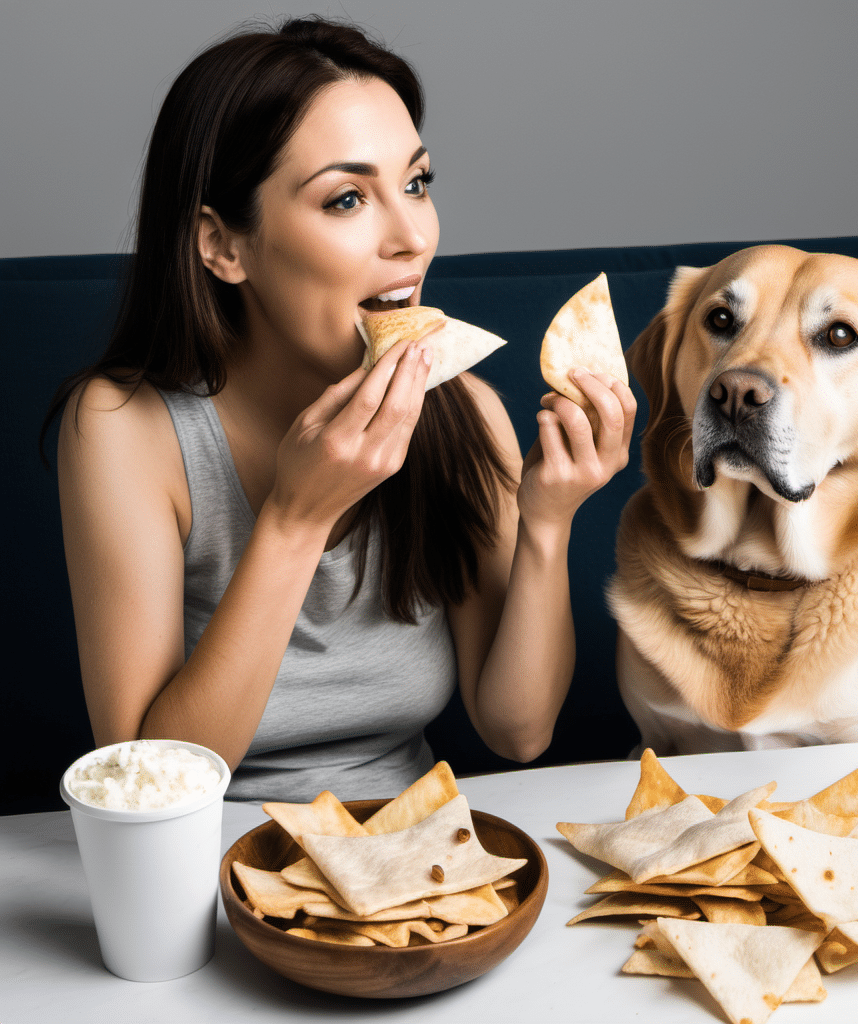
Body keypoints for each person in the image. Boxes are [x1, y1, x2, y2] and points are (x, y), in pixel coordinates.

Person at [44, 16, 636, 802]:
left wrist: (550, 520)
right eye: (348, 198)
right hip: (200, 863)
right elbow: (151, 787)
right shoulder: (123, 429)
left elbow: (517, 730)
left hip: (406, 856)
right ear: (223, 246)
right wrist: (296, 518)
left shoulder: (465, 415)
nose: (413, 236)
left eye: (417, 183)